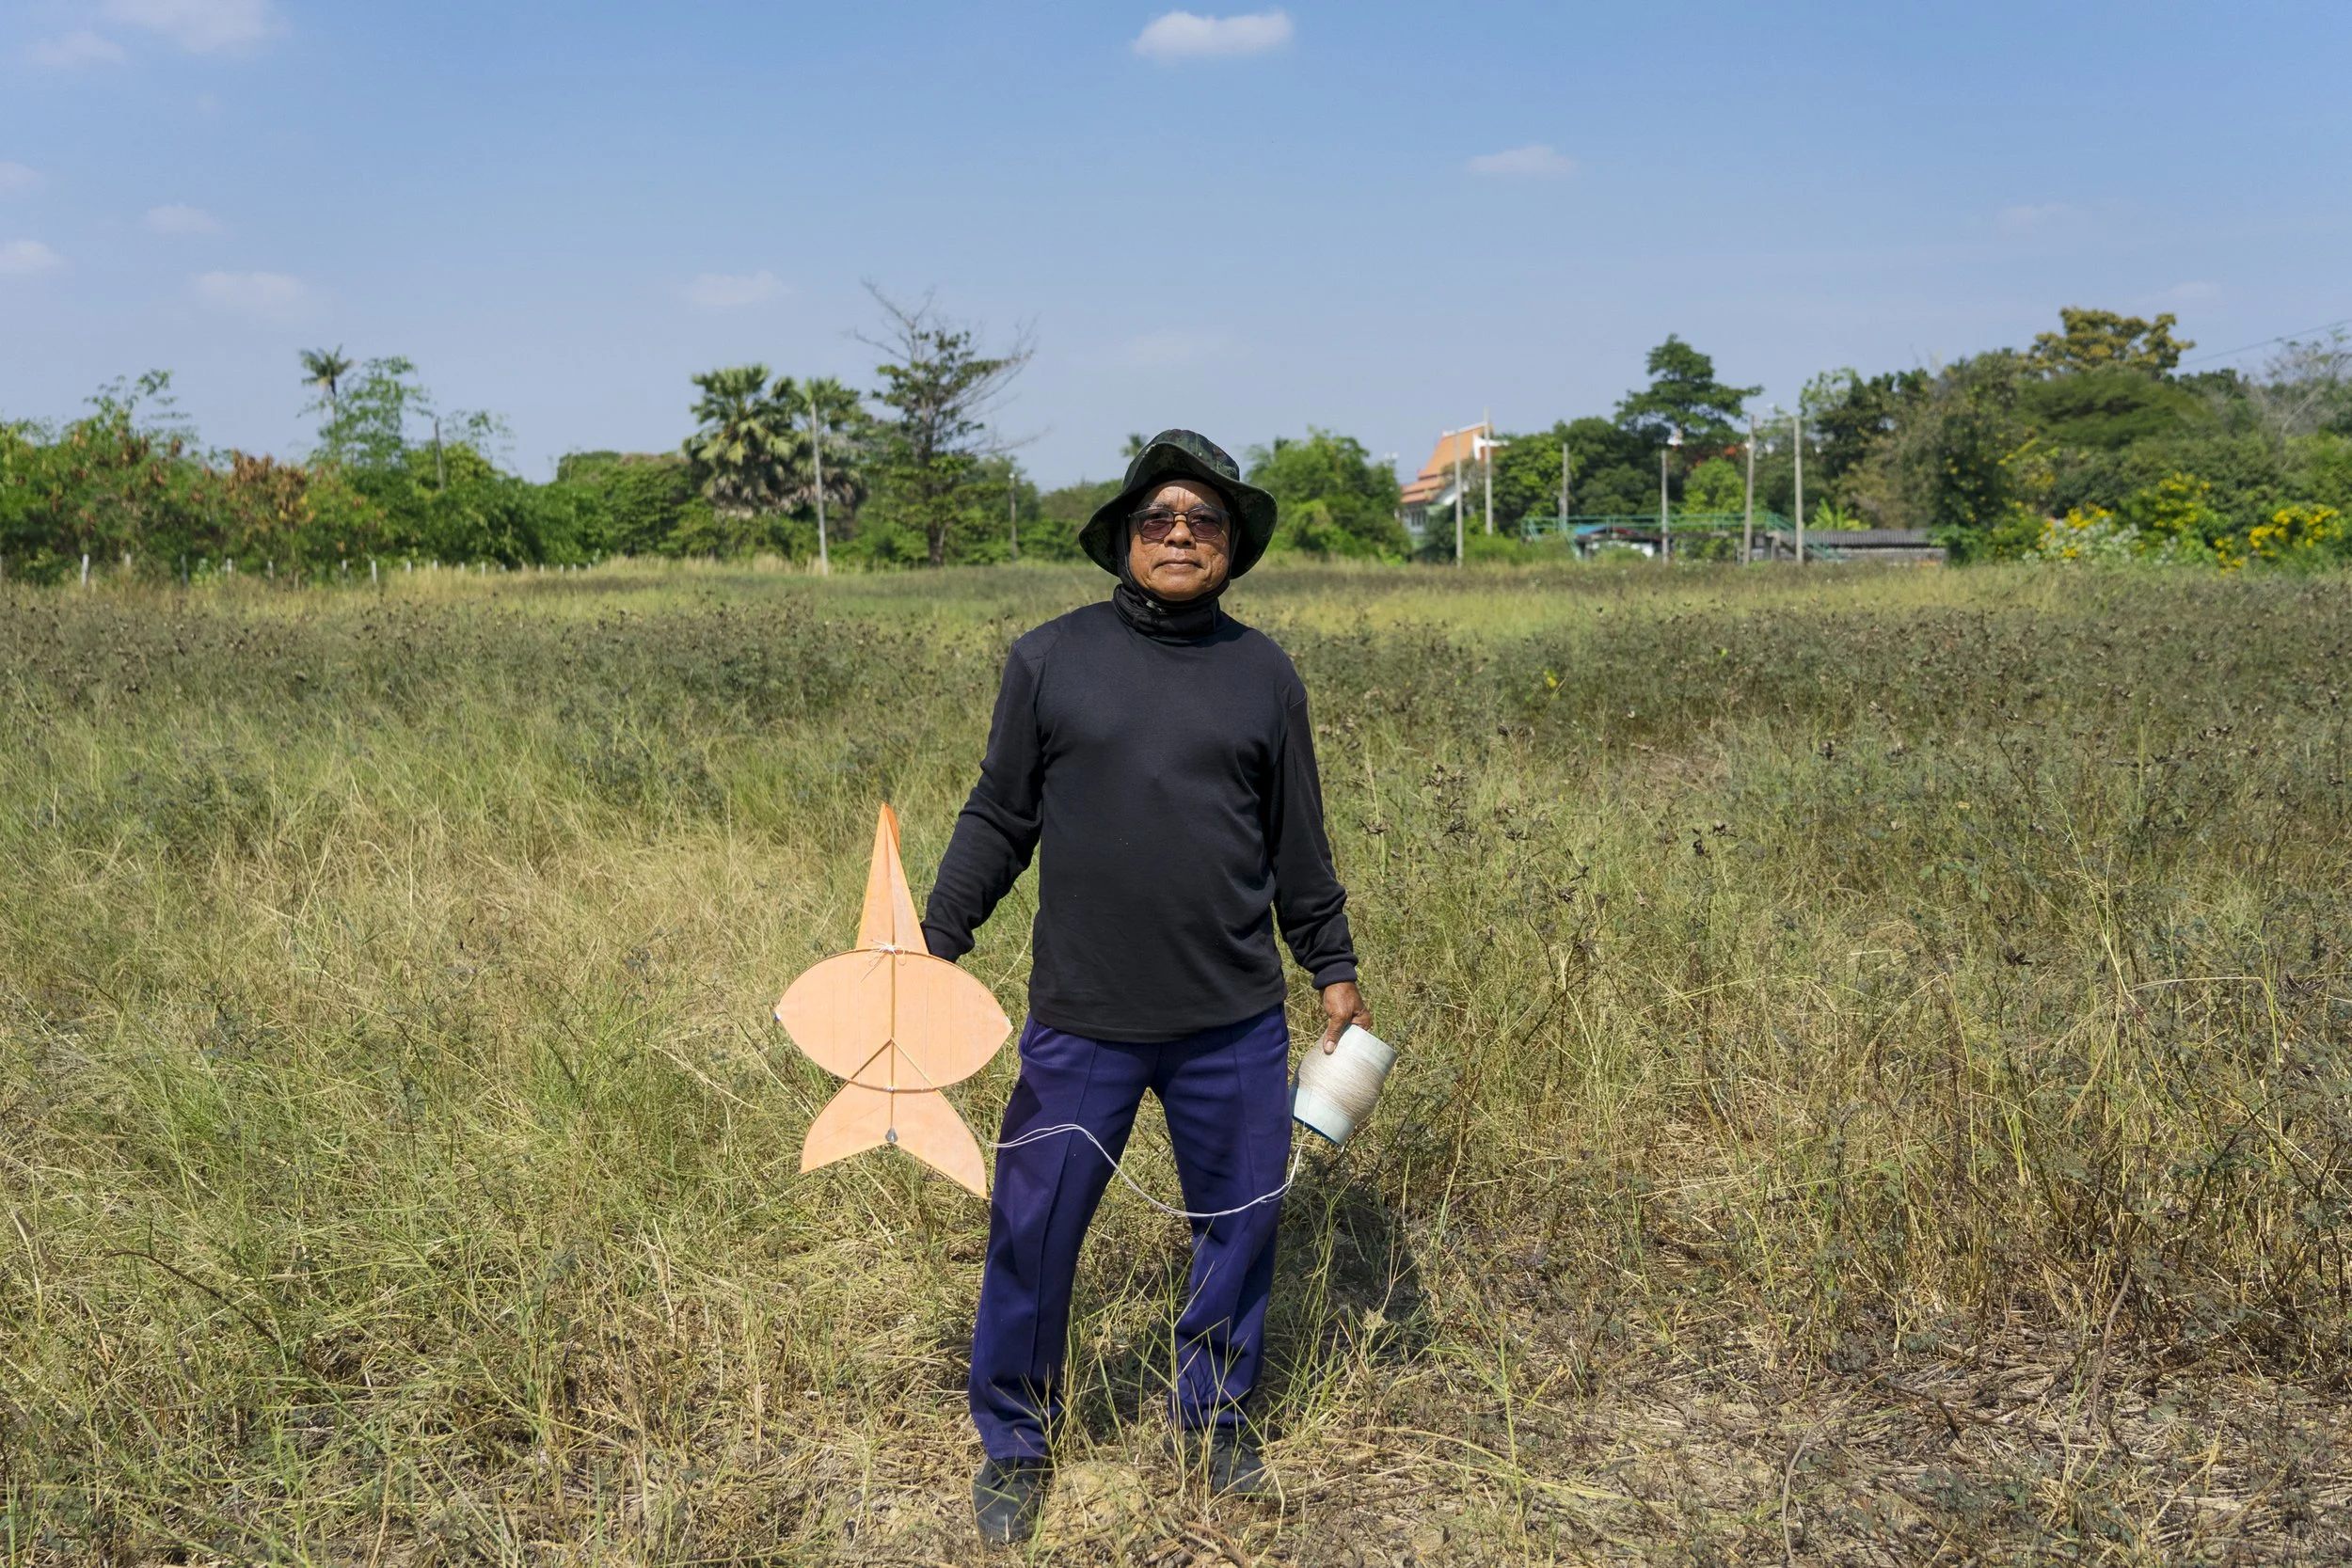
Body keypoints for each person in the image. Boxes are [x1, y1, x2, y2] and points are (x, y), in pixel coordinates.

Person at [920, 429, 1371, 1544]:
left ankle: (1215, 1414)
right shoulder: (1048, 658)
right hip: (1084, 1018)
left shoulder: (1263, 672)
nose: (1181, 533)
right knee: (1033, 1227)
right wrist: (931, 941)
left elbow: (1295, 836)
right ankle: (1017, 1440)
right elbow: (999, 814)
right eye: (1160, 518)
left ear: (1230, 547)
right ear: (1124, 538)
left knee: (1241, 1221)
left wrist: (1333, 961)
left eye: (1204, 520)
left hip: (1228, 1016)